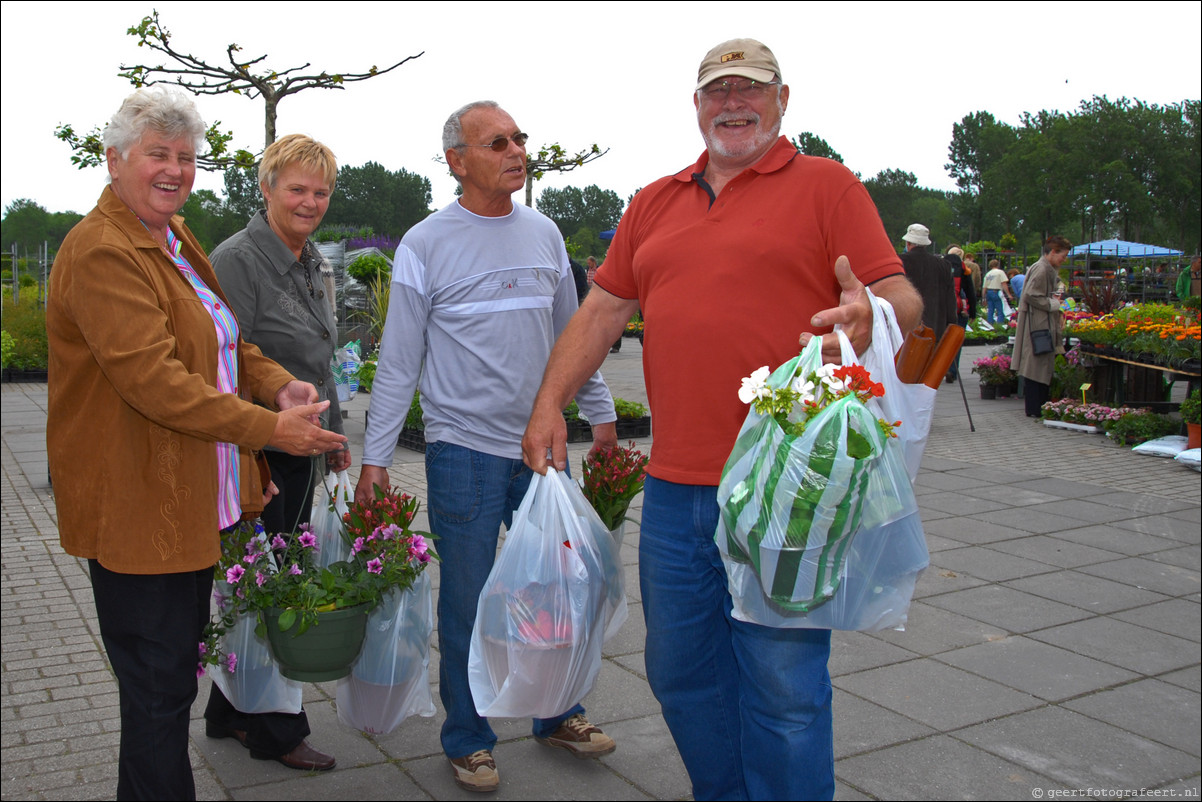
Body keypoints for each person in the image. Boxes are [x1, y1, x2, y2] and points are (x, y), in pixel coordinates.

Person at [520, 38, 921, 802]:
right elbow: (603, 309)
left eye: (750, 89)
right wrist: (548, 405)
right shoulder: (653, 201)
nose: (732, 103)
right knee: (679, 670)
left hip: (789, 486)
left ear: (782, 99)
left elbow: (902, 300)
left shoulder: (828, 187)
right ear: (696, 104)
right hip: (676, 487)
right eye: (717, 91)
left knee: (783, 682)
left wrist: (873, 311)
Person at [45, 87, 347, 801]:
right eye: (158, 154)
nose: (175, 169)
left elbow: (226, 342)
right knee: (157, 688)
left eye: (186, 157)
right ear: (115, 160)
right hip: (135, 504)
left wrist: (278, 387)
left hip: (186, 499)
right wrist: (271, 431)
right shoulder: (102, 250)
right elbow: (154, 379)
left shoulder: (173, 238)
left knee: (170, 679)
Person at [353, 100, 619, 793]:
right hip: (462, 451)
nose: (515, 149)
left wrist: (602, 420)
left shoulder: (546, 235)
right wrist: (375, 459)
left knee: (555, 592)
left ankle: (558, 712)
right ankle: (468, 738)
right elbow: (400, 361)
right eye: (496, 141)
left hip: (544, 451)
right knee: (468, 601)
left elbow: (577, 337)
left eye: (519, 138)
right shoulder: (426, 244)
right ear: (457, 161)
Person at [203, 134, 349, 772]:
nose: (310, 202)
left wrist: (334, 436)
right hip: (260, 449)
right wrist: (247, 456)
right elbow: (223, 361)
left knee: (263, 576)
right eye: (297, 188)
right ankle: (276, 730)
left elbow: (321, 354)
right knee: (271, 584)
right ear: (264, 189)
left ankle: (227, 712)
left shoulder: (313, 260)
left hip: (303, 444)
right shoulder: (238, 261)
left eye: (321, 192)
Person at [1013, 235, 1072, 417]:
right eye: (1062, 255)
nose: (1064, 260)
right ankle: (1035, 409)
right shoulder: (1042, 269)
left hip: (1038, 321)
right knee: (1036, 365)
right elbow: (1030, 294)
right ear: (1052, 252)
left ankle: (1035, 408)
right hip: (1038, 324)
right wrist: (1053, 304)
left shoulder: (1044, 267)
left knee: (1037, 365)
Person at [901, 223, 956, 340]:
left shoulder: (900, 263)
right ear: (926, 244)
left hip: (907, 331)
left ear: (908, 243)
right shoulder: (944, 265)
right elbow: (950, 302)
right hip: (935, 330)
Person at [983, 257, 1012, 324]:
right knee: (1000, 309)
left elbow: (984, 287)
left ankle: (990, 324)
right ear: (998, 265)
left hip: (989, 292)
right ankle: (999, 325)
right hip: (996, 292)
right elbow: (1004, 284)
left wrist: (983, 297)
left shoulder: (988, 274)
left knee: (990, 310)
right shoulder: (1000, 272)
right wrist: (1009, 294)